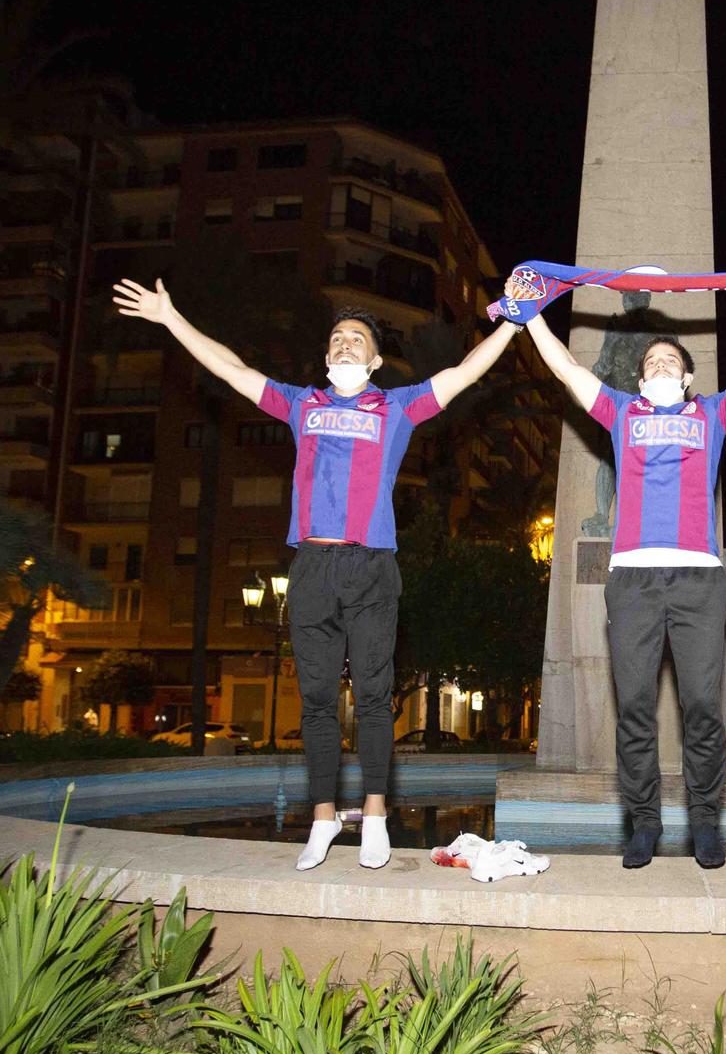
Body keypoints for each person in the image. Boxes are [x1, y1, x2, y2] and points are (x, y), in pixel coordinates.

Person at [112, 277, 521, 870]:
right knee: (316, 703)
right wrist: (172, 318)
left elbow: (465, 373)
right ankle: (324, 820)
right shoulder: (302, 404)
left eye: (357, 339)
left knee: (376, 700)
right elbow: (231, 369)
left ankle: (376, 818)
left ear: (376, 359)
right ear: (326, 357)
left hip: (373, 566)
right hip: (312, 566)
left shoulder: (398, 407)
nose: (345, 345)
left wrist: (513, 321)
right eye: (337, 339)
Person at [523, 305, 726, 868]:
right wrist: (531, 317)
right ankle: (645, 823)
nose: (659, 365)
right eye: (651, 360)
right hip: (631, 578)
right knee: (634, 708)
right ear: (639, 378)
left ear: (685, 377)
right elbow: (566, 369)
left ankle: (705, 821)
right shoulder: (619, 411)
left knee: (703, 707)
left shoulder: (712, 414)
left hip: (699, 578)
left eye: (670, 361)